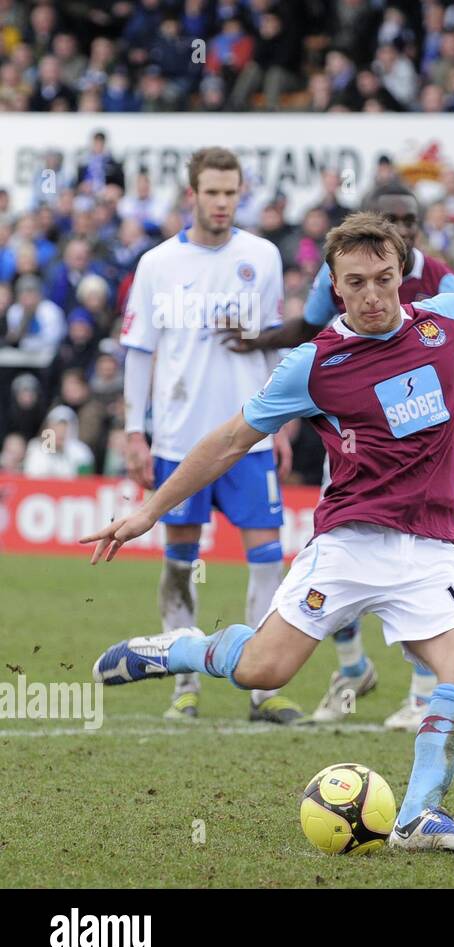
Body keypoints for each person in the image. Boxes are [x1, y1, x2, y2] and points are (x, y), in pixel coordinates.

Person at [83, 212, 454, 852]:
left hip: (432, 549)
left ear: (400, 274)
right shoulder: (314, 366)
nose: (372, 295)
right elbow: (228, 440)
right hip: (349, 543)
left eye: (384, 278)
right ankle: (179, 649)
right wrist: (148, 512)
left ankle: (416, 817)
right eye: (356, 283)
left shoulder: (446, 321)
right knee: (263, 672)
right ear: (335, 287)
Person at [229, 185, 454, 729]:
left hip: (422, 460)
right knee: (336, 568)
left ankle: (419, 695)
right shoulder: (336, 290)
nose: (404, 227)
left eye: (409, 220)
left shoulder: (448, 291)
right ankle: (351, 667)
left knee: (428, 590)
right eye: (391, 218)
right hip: (349, 446)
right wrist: (256, 342)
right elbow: (306, 329)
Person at [119, 146, 299, 724]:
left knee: (268, 558)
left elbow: (277, 339)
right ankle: (185, 683)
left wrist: (284, 420)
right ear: (191, 194)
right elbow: (139, 352)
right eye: (212, 192)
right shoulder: (157, 265)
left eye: (231, 192)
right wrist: (133, 430)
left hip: (250, 436)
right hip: (178, 439)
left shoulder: (263, 256)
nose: (222, 203)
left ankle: (262, 690)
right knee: (178, 562)